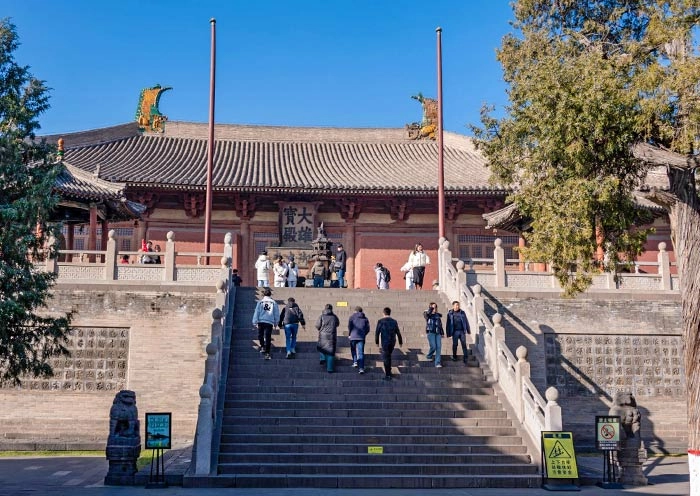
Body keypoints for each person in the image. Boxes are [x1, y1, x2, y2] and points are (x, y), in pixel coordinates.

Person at [375, 307, 403, 381]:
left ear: (383, 313)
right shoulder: (394, 321)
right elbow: (398, 332)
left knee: (386, 357)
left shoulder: (380, 321)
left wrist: (377, 342)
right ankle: (389, 370)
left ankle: (388, 374)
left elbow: (377, 332)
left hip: (385, 342)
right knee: (388, 356)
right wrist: (400, 342)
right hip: (392, 341)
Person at [251, 287, 280, 360]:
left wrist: (254, 321)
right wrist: (276, 322)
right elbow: (276, 313)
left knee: (260, 335)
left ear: (264, 295)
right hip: (269, 321)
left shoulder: (260, 302)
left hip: (261, 321)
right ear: (270, 295)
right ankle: (267, 352)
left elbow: (257, 312)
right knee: (268, 336)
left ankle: (262, 346)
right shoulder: (273, 302)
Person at [316, 303, 340, 373]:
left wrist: (321, 329)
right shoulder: (334, 317)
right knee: (330, 352)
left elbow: (317, 325)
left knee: (321, 347)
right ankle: (330, 369)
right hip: (332, 336)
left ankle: (322, 358)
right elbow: (337, 324)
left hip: (323, 335)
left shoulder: (321, 316)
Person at [348, 306, 370, 374]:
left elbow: (350, 327)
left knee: (353, 349)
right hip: (361, 337)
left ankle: (355, 362)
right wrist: (364, 334)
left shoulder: (352, 317)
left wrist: (350, 334)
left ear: (355, 311)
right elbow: (368, 329)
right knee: (361, 353)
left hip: (353, 336)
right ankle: (361, 368)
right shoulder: (365, 319)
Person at [424, 302, 444, 368]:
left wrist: (442, 333)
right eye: (433, 307)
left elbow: (440, 325)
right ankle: (429, 356)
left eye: (435, 307)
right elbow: (427, 316)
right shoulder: (426, 313)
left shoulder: (437, 315)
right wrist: (431, 308)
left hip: (438, 333)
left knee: (439, 347)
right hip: (431, 332)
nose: (434, 308)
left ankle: (437, 363)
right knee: (433, 346)